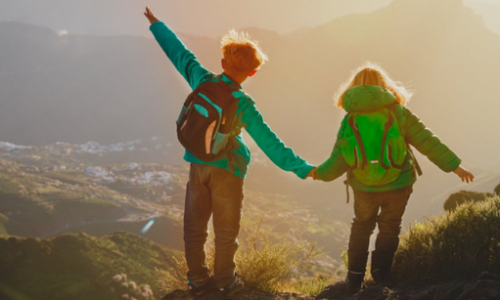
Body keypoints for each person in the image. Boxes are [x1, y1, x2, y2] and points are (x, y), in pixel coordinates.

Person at [143, 7, 315, 300]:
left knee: (194, 228)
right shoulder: (244, 105)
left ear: (222, 62)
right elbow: (270, 143)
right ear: (253, 72)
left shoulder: (202, 79)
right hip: (228, 171)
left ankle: (197, 280)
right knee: (226, 231)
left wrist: (157, 25)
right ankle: (226, 281)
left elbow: (178, 53)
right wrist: (302, 168)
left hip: (197, 166)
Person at [312, 63, 474, 294]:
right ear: (384, 86)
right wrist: (455, 166)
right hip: (398, 184)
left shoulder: (351, 119)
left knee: (361, 227)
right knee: (389, 228)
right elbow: (427, 141)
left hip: (364, 186)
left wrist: (318, 173)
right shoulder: (399, 112)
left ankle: (354, 279)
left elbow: (339, 157)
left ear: (353, 89)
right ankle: (382, 275)